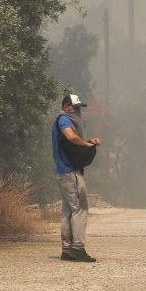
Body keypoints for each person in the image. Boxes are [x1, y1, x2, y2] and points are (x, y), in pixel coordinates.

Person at [51, 93, 102, 262]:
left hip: (62, 172)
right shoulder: (64, 119)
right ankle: (78, 248)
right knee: (80, 209)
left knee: (68, 210)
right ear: (67, 107)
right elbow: (71, 137)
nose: (78, 111)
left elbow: (73, 139)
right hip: (70, 172)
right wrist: (88, 143)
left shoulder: (64, 119)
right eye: (76, 108)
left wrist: (87, 141)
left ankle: (67, 250)